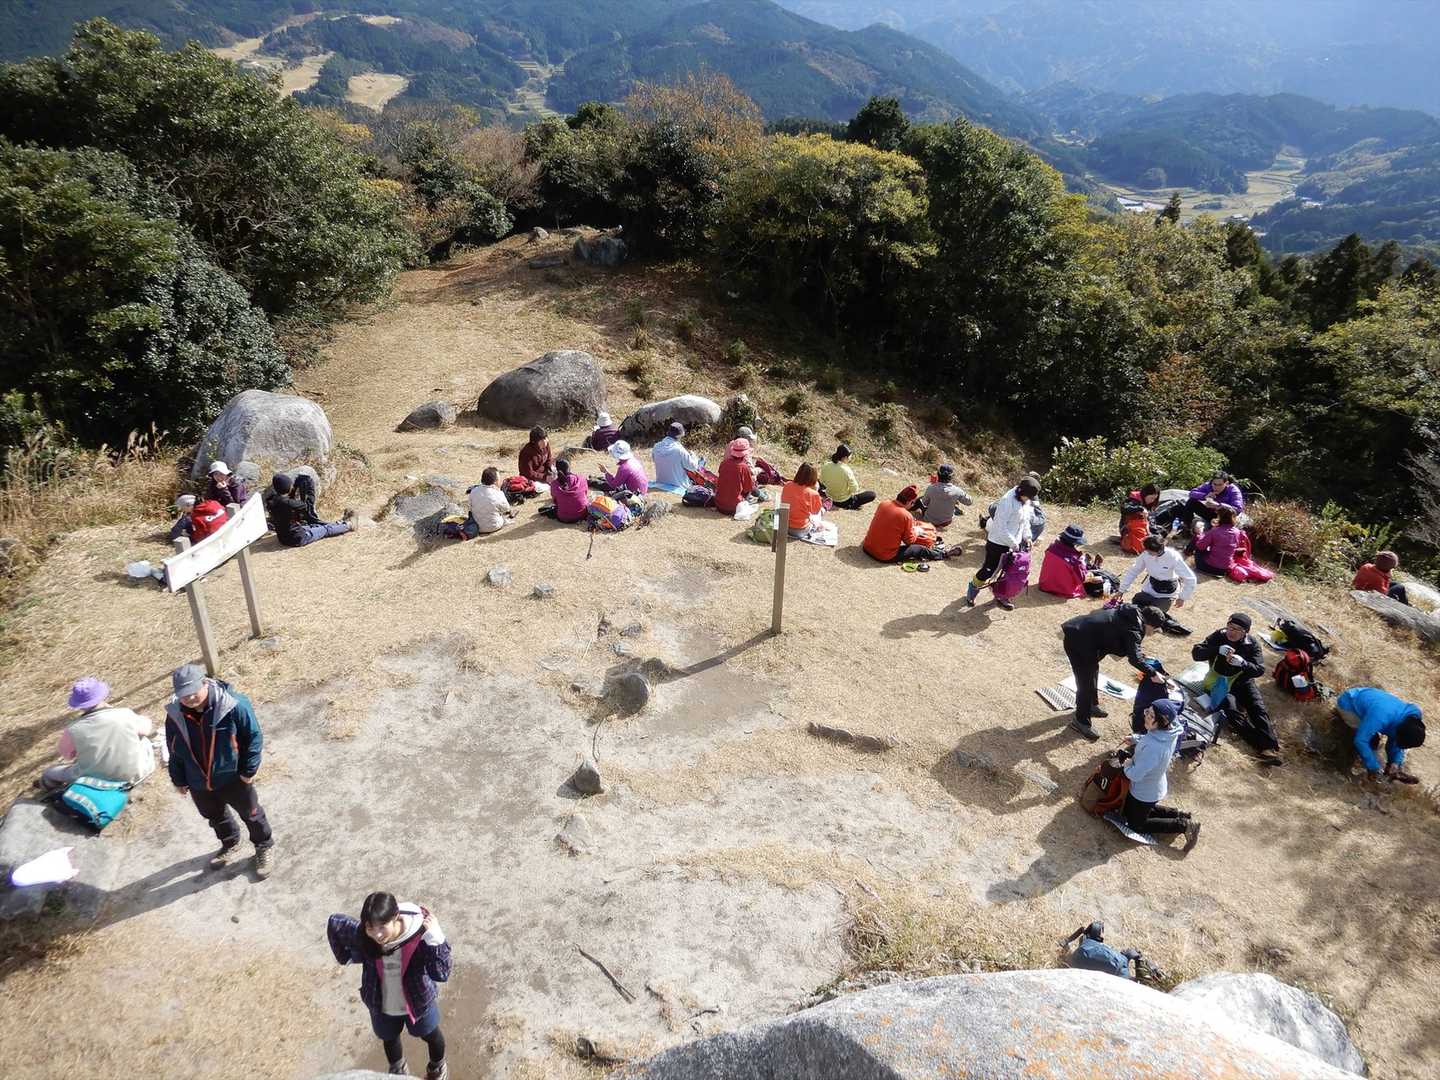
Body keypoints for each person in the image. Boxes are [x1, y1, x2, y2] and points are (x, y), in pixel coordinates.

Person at [328, 892, 452, 1080]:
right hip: (381, 1004)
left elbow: (441, 973)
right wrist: (345, 957)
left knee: (431, 1036)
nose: (377, 934)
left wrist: (436, 938)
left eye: (382, 927)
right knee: (389, 1039)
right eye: (370, 927)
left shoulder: (419, 936)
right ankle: (398, 1070)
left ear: (396, 917)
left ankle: (437, 1067)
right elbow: (335, 923)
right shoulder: (365, 935)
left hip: (418, 1002)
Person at [165, 664, 273, 878]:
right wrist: (178, 779)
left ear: (205, 683)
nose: (189, 698)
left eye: (193, 692)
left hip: (233, 777)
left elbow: (253, 737)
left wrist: (248, 770)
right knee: (214, 816)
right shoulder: (175, 716)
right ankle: (231, 842)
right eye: (184, 695)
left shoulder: (233, 705)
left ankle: (264, 846)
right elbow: (174, 749)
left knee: (251, 814)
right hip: (198, 782)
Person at [1061, 603, 1167, 740]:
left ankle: (1091, 705)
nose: (1153, 633)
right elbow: (1134, 659)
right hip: (1078, 641)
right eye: (1155, 630)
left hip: (1084, 637)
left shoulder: (1131, 614)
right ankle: (1081, 721)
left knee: (1093, 671)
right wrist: (1153, 673)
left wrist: (1140, 656)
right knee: (1085, 683)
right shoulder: (1134, 629)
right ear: (1149, 625)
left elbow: (1126, 644)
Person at [1192, 612, 1282, 766]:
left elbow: (1260, 670)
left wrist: (1244, 664)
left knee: (1257, 708)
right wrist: (1216, 649)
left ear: (1245, 632)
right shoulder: (1219, 636)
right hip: (1217, 682)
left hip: (1242, 681)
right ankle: (1263, 746)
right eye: (1230, 627)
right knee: (1232, 711)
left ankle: (1269, 747)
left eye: (1237, 629)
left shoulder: (1251, 644)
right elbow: (1196, 653)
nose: (1231, 632)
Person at [38, 677, 155, 793]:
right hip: (136, 774)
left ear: (79, 705)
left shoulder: (73, 729)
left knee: (50, 772)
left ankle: (51, 791)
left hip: (93, 781)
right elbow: (146, 730)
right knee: (143, 740)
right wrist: (143, 719)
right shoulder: (124, 714)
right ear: (102, 696)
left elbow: (67, 755)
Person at [1122, 699, 1200, 851]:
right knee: (1134, 810)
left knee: (1136, 824)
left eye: (1151, 716)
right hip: (1154, 786)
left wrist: (1127, 766)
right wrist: (1135, 739)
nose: (1146, 716)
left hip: (1143, 791)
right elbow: (1151, 737)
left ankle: (1184, 825)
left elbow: (1135, 775)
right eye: (1148, 712)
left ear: (1162, 721)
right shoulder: (1169, 732)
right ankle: (1180, 814)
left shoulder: (1153, 748)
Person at [965, 476, 1040, 610]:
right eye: (1027, 497)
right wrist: (1014, 544)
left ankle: (1002, 595)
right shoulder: (1007, 501)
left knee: (1010, 572)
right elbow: (1001, 528)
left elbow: (1025, 521)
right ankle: (973, 588)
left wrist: (1028, 536)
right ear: (1021, 492)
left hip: (1014, 544)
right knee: (988, 570)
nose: (1028, 500)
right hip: (997, 543)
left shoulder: (1026, 500)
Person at [1336, 687, 1425, 784]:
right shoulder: (1381, 717)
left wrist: (1395, 763)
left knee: (1383, 744)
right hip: (1349, 704)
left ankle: (1391, 770)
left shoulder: (1410, 719)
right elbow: (1360, 740)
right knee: (1371, 741)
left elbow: (1396, 742)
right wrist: (1373, 767)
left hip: (1374, 701)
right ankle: (1355, 766)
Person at [1117, 534, 1196, 635]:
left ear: (1158, 550)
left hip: (1166, 593)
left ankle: (1171, 625)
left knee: (1154, 616)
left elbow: (1190, 578)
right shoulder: (1146, 554)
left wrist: (1182, 597)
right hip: (1150, 587)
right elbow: (1133, 571)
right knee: (1137, 605)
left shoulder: (1173, 556)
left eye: (1149, 551)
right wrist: (1121, 590)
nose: (1146, 552)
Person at [862, 486, 944, 563]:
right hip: (883, 556)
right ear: (908, 502)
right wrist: (916, 532)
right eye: (913, 503)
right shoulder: (906, 516)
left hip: (867, 547)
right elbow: (909, 541)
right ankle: (942, 554)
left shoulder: (883, 503)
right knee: (919, 549)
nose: (912, 505)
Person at [269, 473, 351, 547]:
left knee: (314, 526)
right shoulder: (288, 503)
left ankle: (339, 523)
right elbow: (306, 505)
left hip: (283, 538)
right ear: (287, 487)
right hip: (299, 538)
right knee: (326, 530)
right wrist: (310, 491)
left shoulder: (272, 501)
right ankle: (349, 525)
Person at [1038, 525, 1105, 599]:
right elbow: (1082, 578)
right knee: (1094, 578)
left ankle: (1091, 565)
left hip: (1044, 584)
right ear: (1075, 543)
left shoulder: (1051, 548)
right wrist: (1091, 575)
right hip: (1064, 590)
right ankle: (1095, 567)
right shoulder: (1075, 560)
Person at [980, 471, 1046, 542]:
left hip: (1020, 529)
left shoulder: (1020, 496)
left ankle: (985, 522)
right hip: (1032, 526)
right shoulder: (1030, 495)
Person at [1179, 470, 1244, 532]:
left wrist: (1218, 506)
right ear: (1211, 482)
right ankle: (1186, 526)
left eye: (1220, 485)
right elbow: (1192, 493)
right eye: (1214, 484)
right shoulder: (1208, 485)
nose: (1216, 487)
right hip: (1210, 513)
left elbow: (1238, 509)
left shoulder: (1233, 490)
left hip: (1224, 517)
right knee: (1192, 501)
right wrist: (1205, 496)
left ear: (1226, 483)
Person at [819, 444, 875, 510]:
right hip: (843, 502)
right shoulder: (846, 470)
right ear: (845, 457)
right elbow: (854, 489)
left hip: (829, 497)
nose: (850, 458)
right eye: (850, 456)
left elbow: (821, 481)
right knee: (872, 494)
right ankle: (851, 506)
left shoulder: (826, 465)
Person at [465, 467, 515, 537]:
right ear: (495, 482)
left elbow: (469, 508)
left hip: (476, 526)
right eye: (499, 479)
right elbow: (506, 509)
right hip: (494, 526)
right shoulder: (498, 493)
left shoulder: (473, 491)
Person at [651, 422, 701, 493]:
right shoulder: (679, 450)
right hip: (678, 485)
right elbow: (693, 467)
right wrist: (694, 457)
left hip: (660, 482)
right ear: (679, 436)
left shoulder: (656, 446)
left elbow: (655, 460)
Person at [1193, 505, 1243, 574]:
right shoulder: (1237, 532)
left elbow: (1200, 546)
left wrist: (1200, 534)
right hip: (1224, 569)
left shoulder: (1215, 531)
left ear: (1220, 517)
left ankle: (1187, 552)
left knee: (1197, 541)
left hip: (1208, 567)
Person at [780, 463, 825, 538]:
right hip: (800, 530)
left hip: (784, 525)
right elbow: (815, 511)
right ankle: (825, 507)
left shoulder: (787, 485)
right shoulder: (812, 494)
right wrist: (815, 491)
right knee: (819, 514)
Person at [715, 438, 759, 515]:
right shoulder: (743, 467)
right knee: (753, 488)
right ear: (745, 454)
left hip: (719, 505)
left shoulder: (724, 463)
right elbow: (748, 488)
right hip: (734, 507)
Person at [1119, 484, 1161, 554]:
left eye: (1155, 499)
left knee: (1160, 532)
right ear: (1145, 494)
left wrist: (1156, 534)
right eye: (1151, 498)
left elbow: (1151, 521)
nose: (1152, 500)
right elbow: (1124, 509)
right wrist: (1140, 508)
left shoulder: (1150, 505)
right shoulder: (1133, 500)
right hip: (1128, 528)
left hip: (1143, 528)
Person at [548, 459, 591, 523]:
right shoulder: (581, 479)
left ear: (556, 470)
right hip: (583, 514)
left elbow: (554, 500)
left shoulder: (554, 484)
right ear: (569, 468)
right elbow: (585, 493)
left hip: (564, 517)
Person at [518, 427, 556, 492]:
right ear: (534, 442)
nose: (545, 442)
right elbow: (528, 473)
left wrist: (552, 468)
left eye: (545, 438)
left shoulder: (546, 444)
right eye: (541, 440)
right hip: (531, 478)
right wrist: (545, 477)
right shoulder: (526, 453)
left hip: (544, 473)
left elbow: (549, 459)